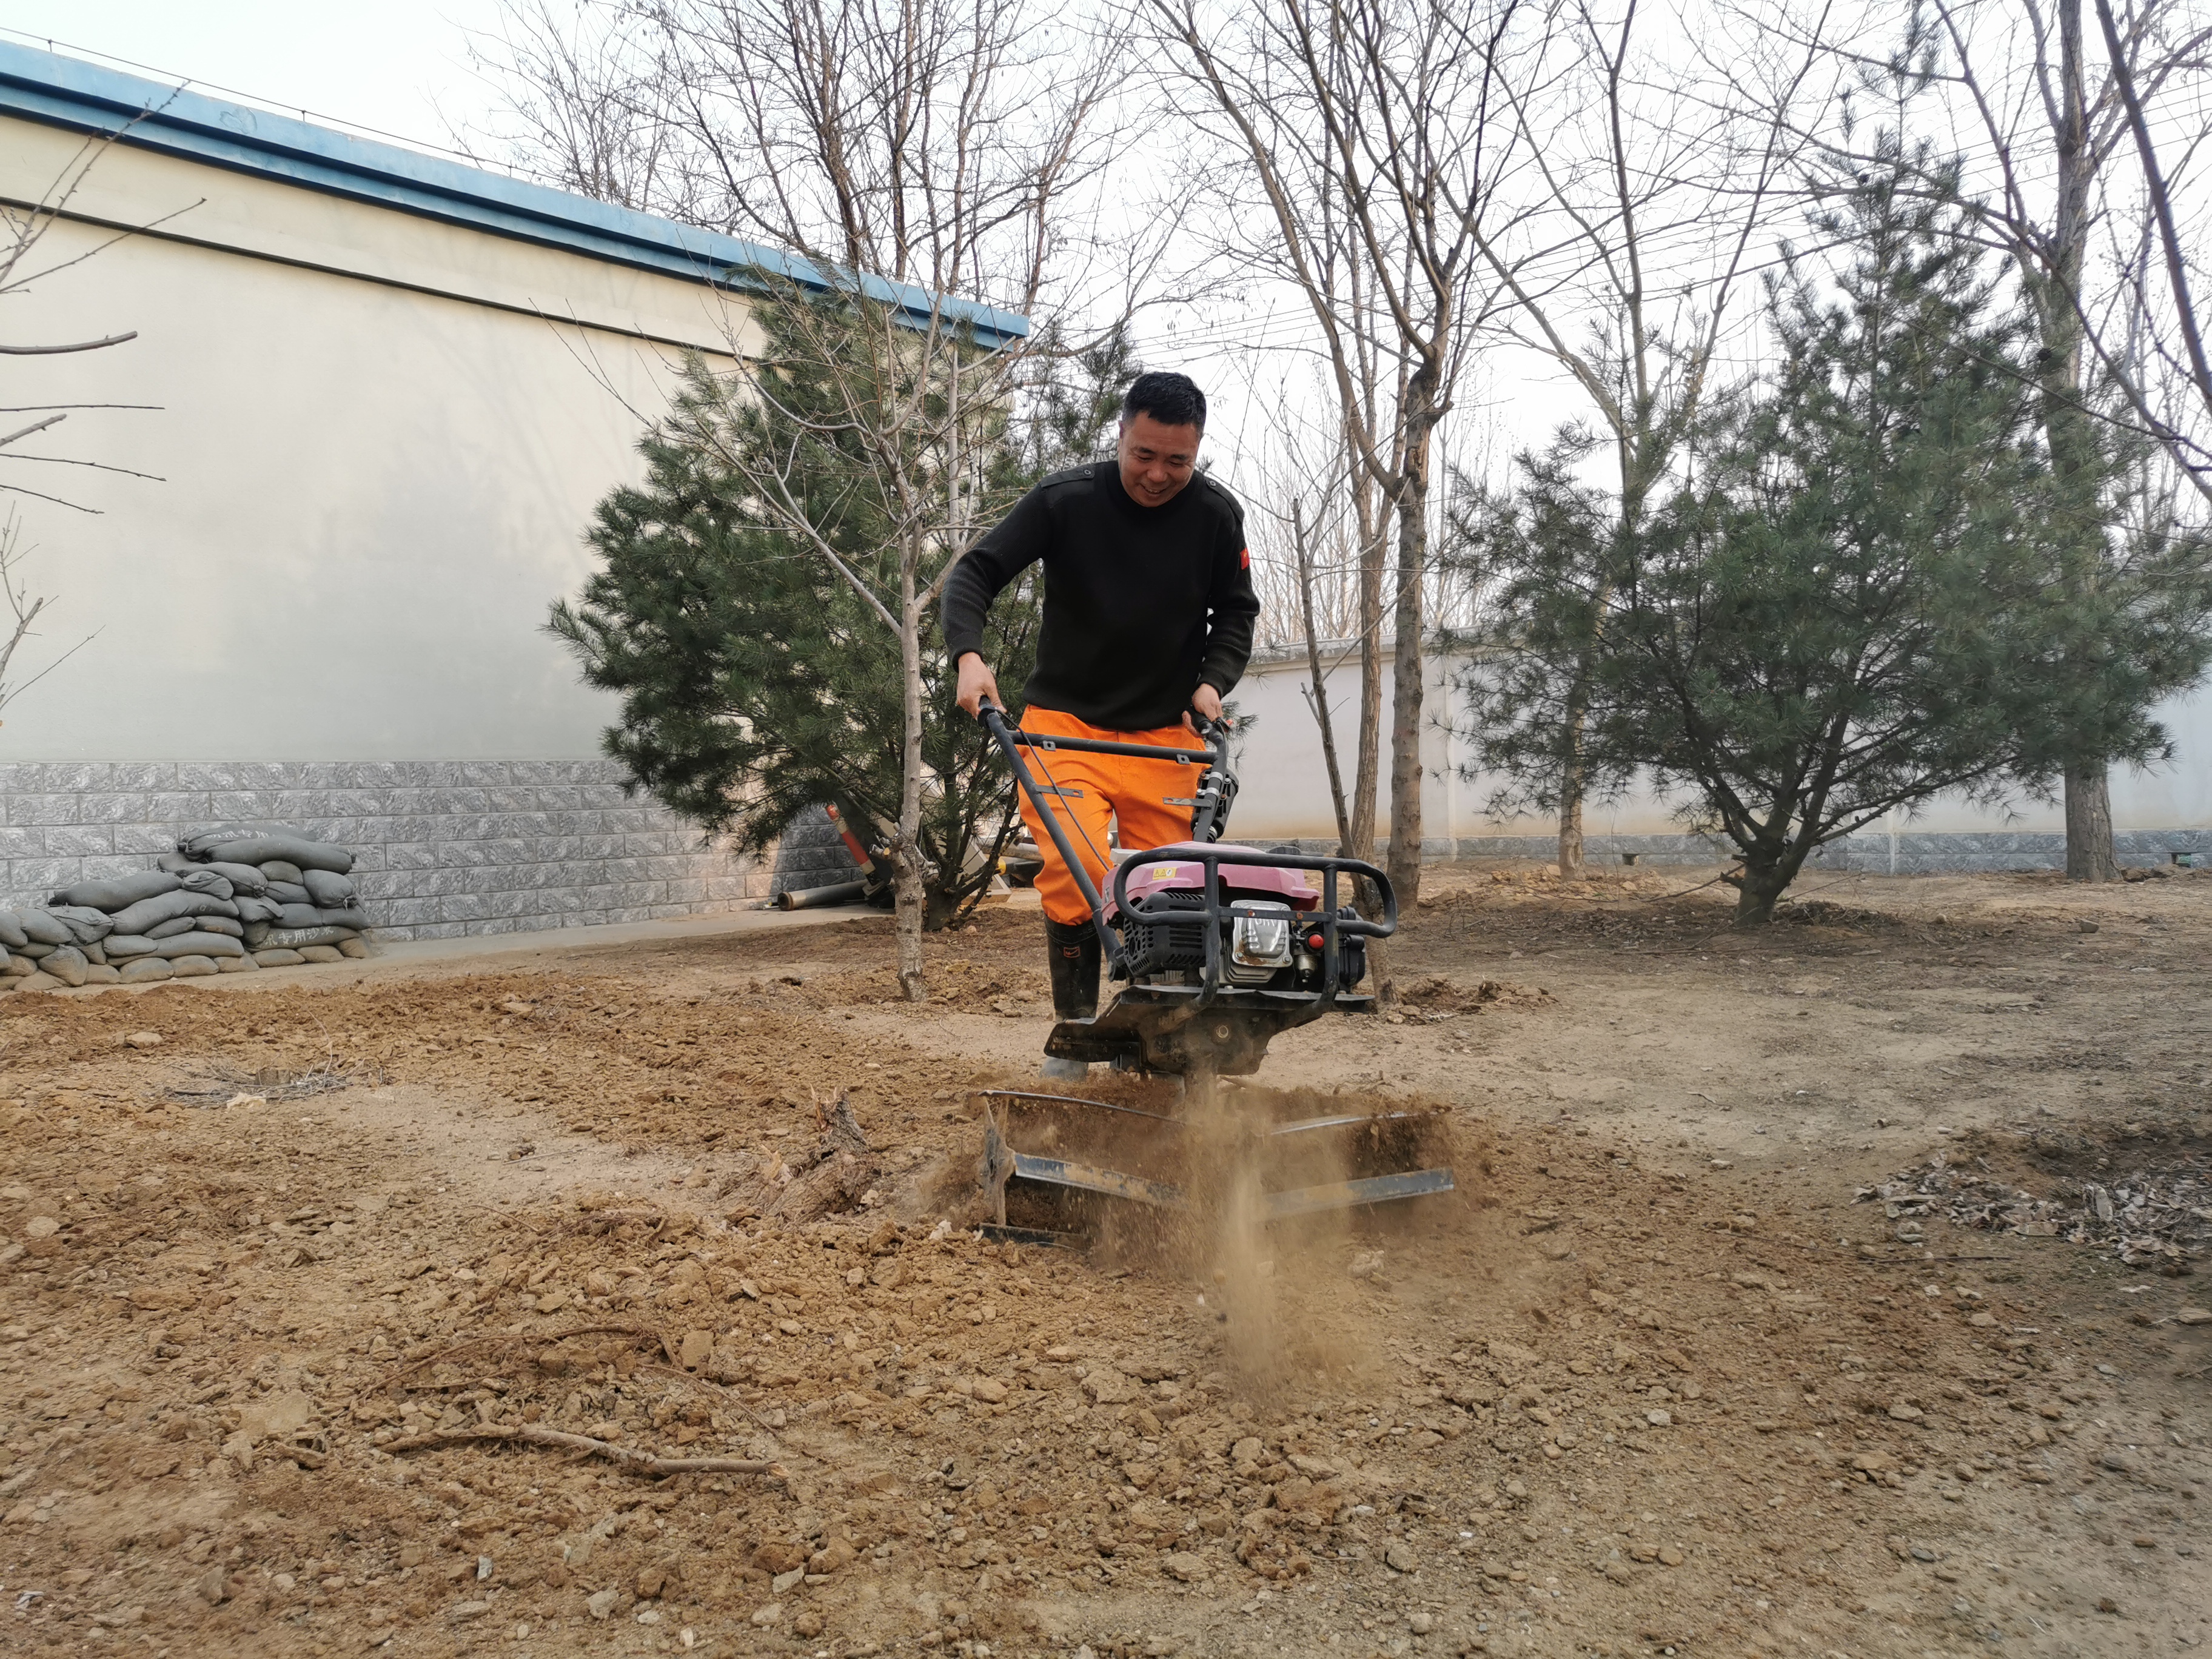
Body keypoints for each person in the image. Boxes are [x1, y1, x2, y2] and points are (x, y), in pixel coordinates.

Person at [944, 370, 1259, 1079]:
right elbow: (975, 574)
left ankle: (1155, 1044)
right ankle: (1079, 1036)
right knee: (1079, 870)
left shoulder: (1215, 515)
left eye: (1177, 461)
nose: (1158, 474)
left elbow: (1237, 611)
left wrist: (1212, 683)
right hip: (1064, 729)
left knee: (1170, 892)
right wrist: (969, 657)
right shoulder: (1066, 501)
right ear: (1120, 435)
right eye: (1144, 454)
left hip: (1165, 737)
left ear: (1196, 451)